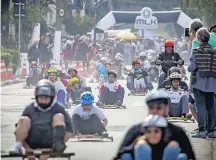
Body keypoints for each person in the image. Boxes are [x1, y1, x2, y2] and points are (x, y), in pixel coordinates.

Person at [114, 90, 196, 160]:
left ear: (166, 109)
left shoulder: (177, 131)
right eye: (151, 108)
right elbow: (119, 155)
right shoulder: (135, 130)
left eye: (159, 108)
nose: (154, 111)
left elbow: (191, 156)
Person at [10, 80, 73, 154]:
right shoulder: (30, 108)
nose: (43, 100)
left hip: (52, 141)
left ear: (51, 97)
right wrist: (27, 147)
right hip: (32, 141)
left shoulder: (59, 108)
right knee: (23, 119)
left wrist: (62, 142)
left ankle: (58, 144)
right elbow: (19, 128)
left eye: (46, 98)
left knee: (59, 116)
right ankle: (18, 146)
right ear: (36, 96)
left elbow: (69, 130)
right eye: (41, 97)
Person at [188, 28, 216, 138]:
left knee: (200, 106)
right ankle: (212, 130)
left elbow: (192, 67)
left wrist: (189, 67)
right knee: (210, 106)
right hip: (212, 83)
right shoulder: (214, 51)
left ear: (199, 39)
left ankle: (202, 130)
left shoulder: (195, 51)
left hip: (199, 83)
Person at [121, 115, 188, 160]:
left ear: (162, 131)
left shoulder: (170, 145)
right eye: (149, 131)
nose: (152, 134)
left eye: (156, 131)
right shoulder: (139, 145)